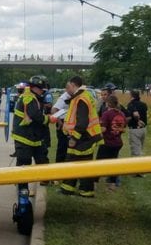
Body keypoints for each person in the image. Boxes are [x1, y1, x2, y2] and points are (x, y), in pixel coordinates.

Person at [11, 75, 50, 229]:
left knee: (41, 160)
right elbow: (35, 116)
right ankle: (22, 191)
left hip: (32, 138)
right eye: (41, 89)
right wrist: (50, 119)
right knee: (24, 166)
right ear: (35, 87)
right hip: (24, 139)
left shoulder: (33, 97)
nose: (43, 91)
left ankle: (40, 180)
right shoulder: (28, 97)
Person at [59, 75, 103, 197]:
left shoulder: (81, 99)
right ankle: (68, 189)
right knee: (72, 162)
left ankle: (86, 191)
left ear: (73, 85)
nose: (67, 89)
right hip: (83, 137)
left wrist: (74, 138)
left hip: (84, 138)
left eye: (68, 86)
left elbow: (82, 122)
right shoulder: (82, 96)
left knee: (84, 166)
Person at [97, 95, 126, 190]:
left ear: (108, 103)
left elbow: (104, 129)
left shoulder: (106, 114)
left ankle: (93, 183)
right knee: (113, 163)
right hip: (117, 142)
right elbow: (123, 128)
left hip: (107, 142)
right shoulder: (121, 114)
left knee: (98, 163)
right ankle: (112, 185)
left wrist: (96, 129)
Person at [126, 90, 148, 177]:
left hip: (134, 129)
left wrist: (136, 120)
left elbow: (135, 115)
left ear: (132, 96)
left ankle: (138, 171)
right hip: (143, 129)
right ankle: (138, 169)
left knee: (136, 151)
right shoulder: (143, 104)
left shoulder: (131, 104)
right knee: (140, 149)